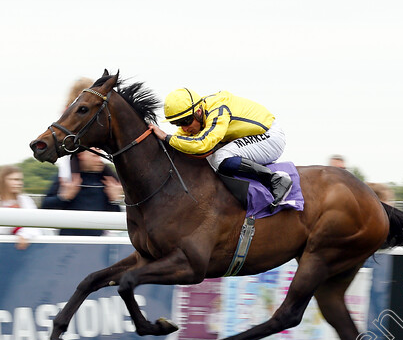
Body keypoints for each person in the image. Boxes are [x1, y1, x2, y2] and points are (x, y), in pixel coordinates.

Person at [149, 88, 292, 209]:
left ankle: (276, 179)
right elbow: (181, 141)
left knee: (219, 157)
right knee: (210, 158)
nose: (184, 128)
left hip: (269, 137)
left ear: (198, 112)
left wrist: (167, 138)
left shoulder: (218, 110)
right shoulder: (196, 116)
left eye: (185, 121)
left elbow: (202, 145)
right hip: (251, 137)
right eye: (178, 124)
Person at [41, 150, 123, 236]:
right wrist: (64, 197)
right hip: (68, 243)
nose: (99, 160)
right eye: (94, 156)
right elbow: (44, 206)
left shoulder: (107, 181)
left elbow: (115, 220)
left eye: (100, 156)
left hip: (98, 244)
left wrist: (115, 200)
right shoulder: (66, 179)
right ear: (81, 155)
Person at [0, 165, 39, 249]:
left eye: (20, 180)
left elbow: (35, 225)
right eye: (14, 180)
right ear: (3, 181)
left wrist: (25, 235)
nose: (19, 183)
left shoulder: (25, 200)